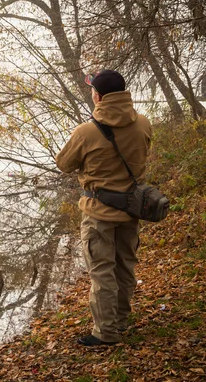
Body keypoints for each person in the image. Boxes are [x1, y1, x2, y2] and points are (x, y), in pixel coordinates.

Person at [55, 70, 152, 346]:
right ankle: (120, 320)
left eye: (92, 91)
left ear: (98, 96)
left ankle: (106, 332)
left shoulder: (86, 132)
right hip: (132, 210)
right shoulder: (143, 123)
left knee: (102, 272)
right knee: (125, 267)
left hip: (98, 213)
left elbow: (63, 164)